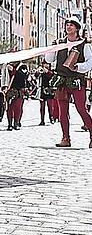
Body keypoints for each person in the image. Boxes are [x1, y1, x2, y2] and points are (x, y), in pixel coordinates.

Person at [43, 17, 92, 148]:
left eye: (71, 25)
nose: (68, 27)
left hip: (76, 80)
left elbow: (89, 63)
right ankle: (66, 138)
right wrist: (52, 48)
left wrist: (77, 67)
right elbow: (49, 59)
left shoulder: (84, 44)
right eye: (67, 25)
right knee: (62, 110)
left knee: (81, 108)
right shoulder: (60, 43)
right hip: (61, 80)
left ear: (77, 28)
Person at [5, 62, 29, 130]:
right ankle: (9, 124)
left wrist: (14, 71)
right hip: (10, 90)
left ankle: (16, 123)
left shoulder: (22, 66)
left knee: (18, 108)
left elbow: (23, 76)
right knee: (9, 108)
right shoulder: (6, 67)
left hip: (19, 90)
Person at [37, 61, 57, 126]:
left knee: (50, 105)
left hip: (49, 89)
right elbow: (35, 77)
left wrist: (47, 72)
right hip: (42, 89)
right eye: (44, 64)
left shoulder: (51, 71)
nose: (45, 65)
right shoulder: (41, 71)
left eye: (46, 64)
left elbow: (53, 76)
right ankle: (42, 120)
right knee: (42, 106)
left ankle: (51, 117)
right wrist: (37, 72)